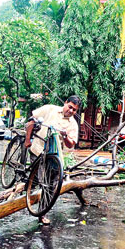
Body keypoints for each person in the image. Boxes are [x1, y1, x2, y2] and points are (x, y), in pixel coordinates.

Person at [24, 95, 81, 225]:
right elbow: (32, 120)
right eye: (70, 107)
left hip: (54, 156)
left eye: (74, 110)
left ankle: (42, 212)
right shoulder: (50, 109)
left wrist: (65, 136)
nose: (71, 111)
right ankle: (30, 185)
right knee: (41, 179)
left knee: (51, 185)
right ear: (65, 103)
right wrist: (27, 140)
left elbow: (71, 144)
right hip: (38, 149)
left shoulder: (73, 124)